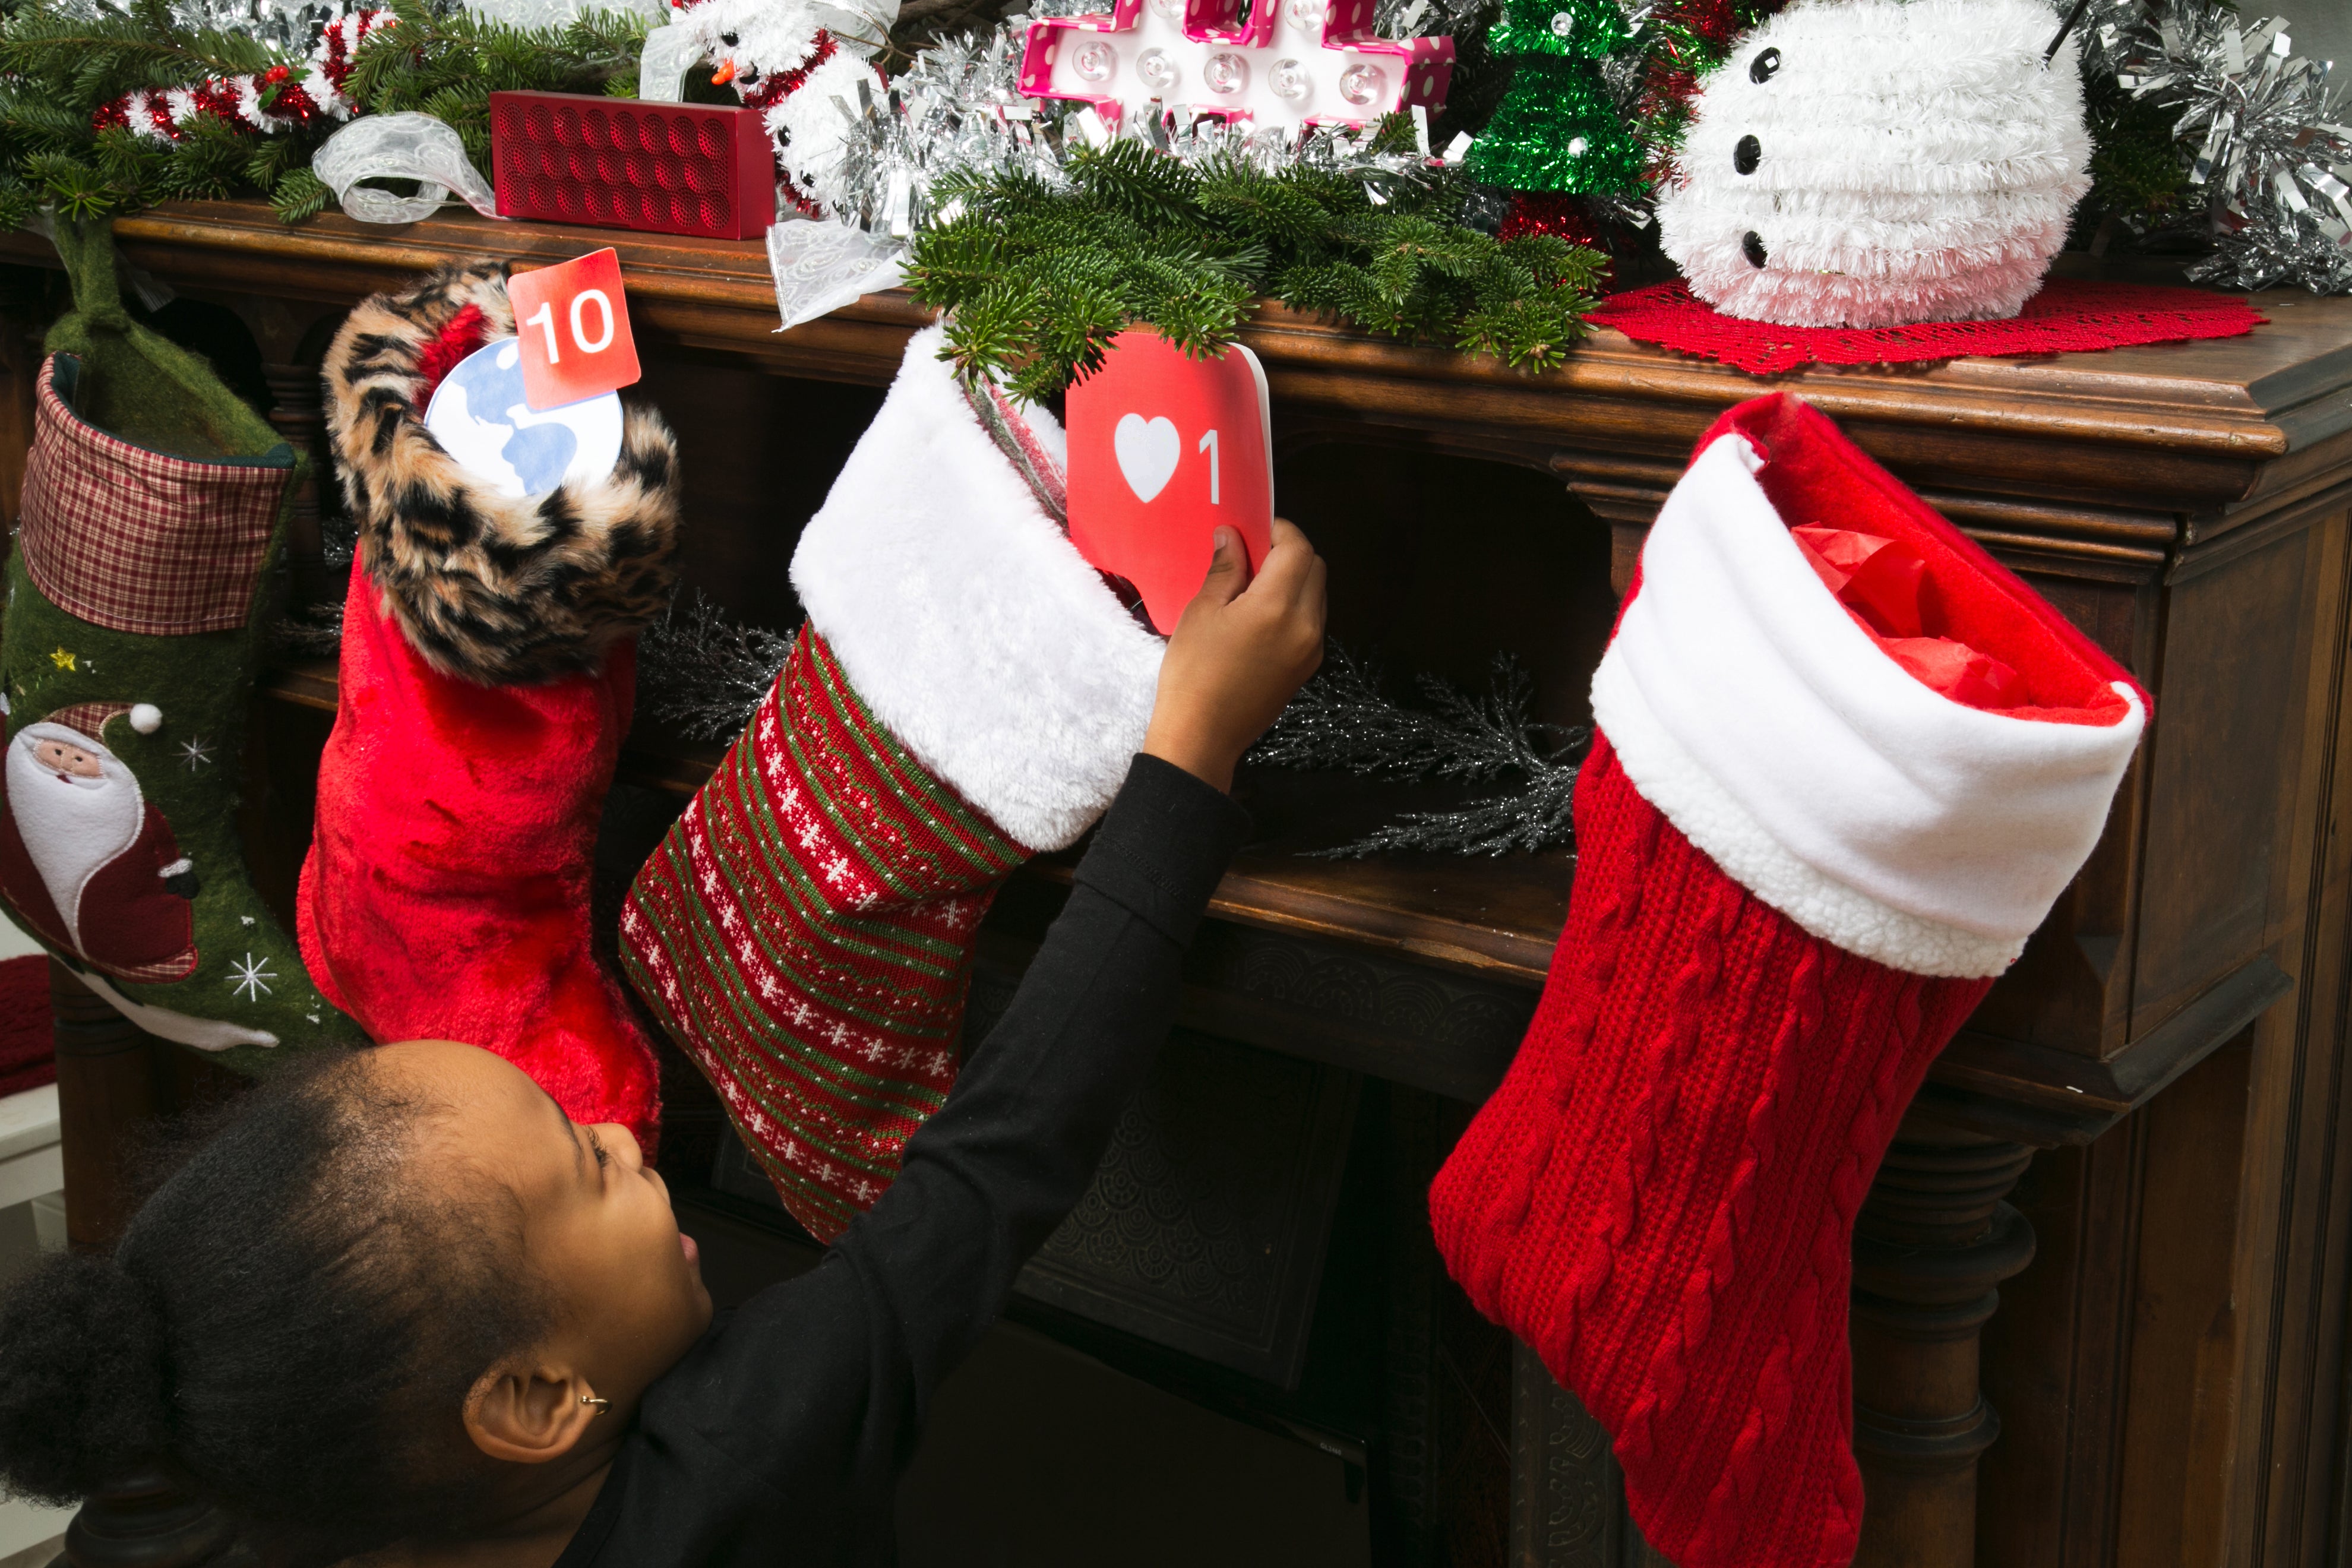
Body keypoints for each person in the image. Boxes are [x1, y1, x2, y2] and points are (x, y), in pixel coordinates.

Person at [0, 519, 1327, 1568]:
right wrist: (1190, 748)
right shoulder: (747, 1461)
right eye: (587, 1169)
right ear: (531, 1402)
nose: (629, 1149)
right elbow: (995, 1163)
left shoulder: (326, 1499)